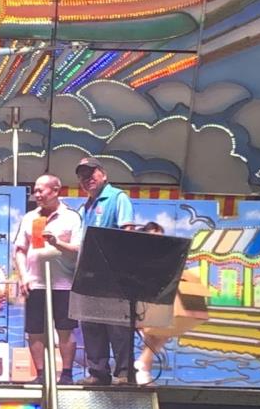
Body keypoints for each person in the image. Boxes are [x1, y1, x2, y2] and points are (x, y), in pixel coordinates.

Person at [14, 175, 81, 385]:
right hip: (35, 283)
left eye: (41, 190)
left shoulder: (71, 217)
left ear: (55, 191)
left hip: (63, 284)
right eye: (35, 190)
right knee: (34, 330)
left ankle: (67, 374)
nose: (37, 194)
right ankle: (41, 374)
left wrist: (56, 242)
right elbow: (20, 249)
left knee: (65, 330)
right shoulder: (29, 217)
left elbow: (78, 249)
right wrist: (23, 276)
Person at [76, 157, 135, 385]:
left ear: (103, 174)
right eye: (82, 175)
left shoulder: (117, 197)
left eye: (91, 173)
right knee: (91, 324)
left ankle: (124, 373)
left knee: (117, 326)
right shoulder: (85, 206)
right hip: (89, 274)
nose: (87, 178)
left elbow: (127, 232)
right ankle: (98, 372)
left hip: (113, 274)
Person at [135, 220, 209, 384]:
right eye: (154, 236)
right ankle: (143, 368)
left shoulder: (166, 255)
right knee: (153, 334)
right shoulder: (140, 255)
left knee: (162, 333)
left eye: (160, 236)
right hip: (144, 301)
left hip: (162, 300)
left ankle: (143, 368)